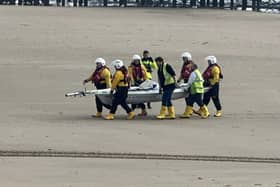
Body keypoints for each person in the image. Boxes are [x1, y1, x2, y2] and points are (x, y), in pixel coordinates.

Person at [176, 52, 194, 118]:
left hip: (190, 82)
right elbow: (182, 73)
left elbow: (189, 73)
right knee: (187, 96)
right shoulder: (185, 64)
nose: (183, 59)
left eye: (184, 58)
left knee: (190, 97)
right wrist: (178, 80)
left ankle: (189, 110)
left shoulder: (191, 64)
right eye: (183, 58)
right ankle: (189, 110)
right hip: (186, 81)